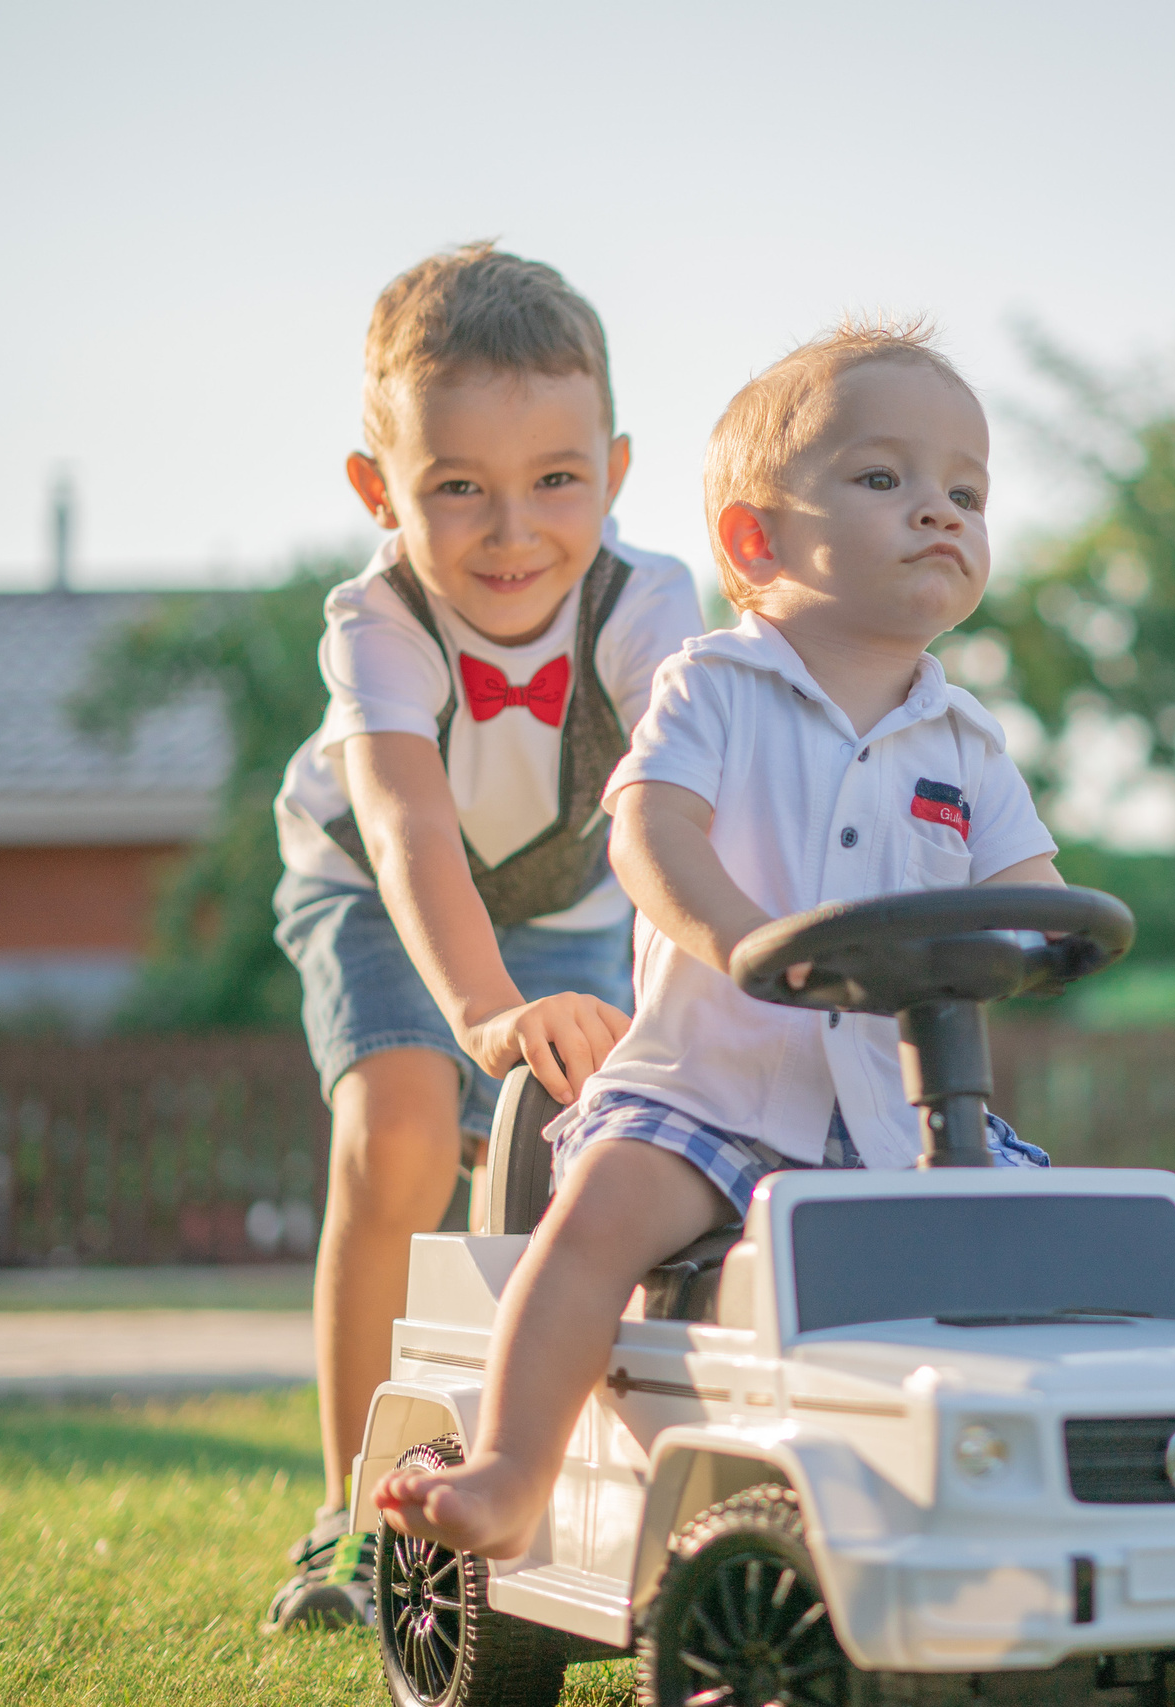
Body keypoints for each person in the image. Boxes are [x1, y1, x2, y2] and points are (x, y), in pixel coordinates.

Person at [371, 318, 1061, 1560]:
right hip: (710, 1100)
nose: (939, 511)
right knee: (598, 1221)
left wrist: (1045, 943)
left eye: (967, 490)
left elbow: (1030, 890)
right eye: (883, 478)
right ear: (756, 539)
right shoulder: (712, 687)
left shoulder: (968, 745)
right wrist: (750, 939)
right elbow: (651, 834)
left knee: (1064, 1237)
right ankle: (513, 1472)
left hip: (905, 1120)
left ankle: (1045, 1489)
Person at [262, 243, 702, 1630]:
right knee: (399, 1129)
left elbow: (698, 803)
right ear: (377, 491)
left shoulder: (652, 608)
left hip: (577, 906)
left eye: (555, 480)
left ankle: (541, 1482)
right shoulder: (377, 620)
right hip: (378, 889)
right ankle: (347, 1518)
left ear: (616, 469)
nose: (513, 531)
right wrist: (482, 1017)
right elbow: (403, 822)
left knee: (596, 1171)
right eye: (459, 487)